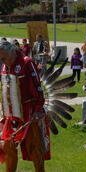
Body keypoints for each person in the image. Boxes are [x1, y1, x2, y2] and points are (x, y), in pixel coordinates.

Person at [0, 41, 50, 172]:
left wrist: (38, 111)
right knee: (8, 147)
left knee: (34, 149)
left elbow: (38, 89)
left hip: (29, 111)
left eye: (4, 57)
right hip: (11, 114)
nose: (3, 61)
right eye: (1, 58)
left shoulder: (27, 62)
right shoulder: (5, 66)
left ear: (12, 53)